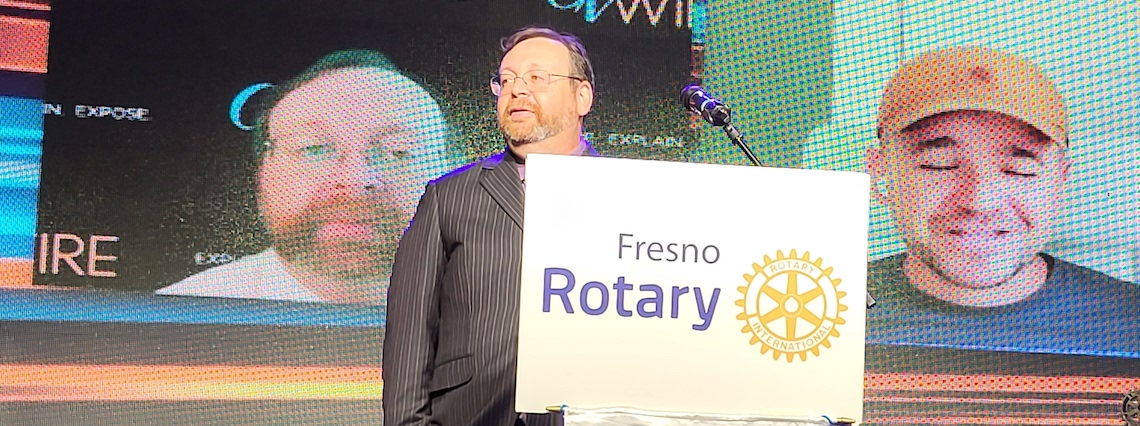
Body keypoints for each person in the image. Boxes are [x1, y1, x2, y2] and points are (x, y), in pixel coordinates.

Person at [382, 26, 597, 426]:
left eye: (536, 77)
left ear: (581, 96)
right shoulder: (448, 199)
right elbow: (409, 335)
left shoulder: (628, 194)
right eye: (506, 80)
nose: (516, 90)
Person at [865, 46, 1140, 355]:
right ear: (880, 173)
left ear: (1060, 181)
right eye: (939, 164)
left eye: (1018, 170)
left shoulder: (1130, 326)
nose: (980, 200)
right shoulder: (826, 316)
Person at [156, 50, 451, 305]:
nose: (354, 182)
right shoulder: (176, 319)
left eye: (397, 152)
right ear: (262, 179)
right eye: (313, 149)